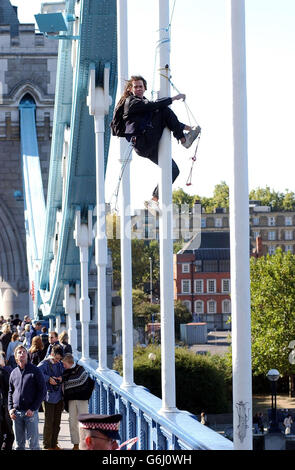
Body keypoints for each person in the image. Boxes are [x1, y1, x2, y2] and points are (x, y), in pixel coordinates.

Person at [114, 75, 201, 214]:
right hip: (143, 141)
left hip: (149, 144)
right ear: (131, 89)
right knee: (163, 109)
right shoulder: (131, 102)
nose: (138, 89)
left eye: (140, 86)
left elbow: (161, 118)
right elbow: (155, 106)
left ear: (145, 88)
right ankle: (183, 140)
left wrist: (187, 127)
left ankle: (154, 200)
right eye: (135, 87)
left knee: (173, 170)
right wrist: (174, 98)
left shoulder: (145, 104)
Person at [8, 345, 46, 450]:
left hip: (31, 413)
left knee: (33, 445)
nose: (22, 354)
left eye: (24, 352)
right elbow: (10, 392)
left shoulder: (35, 371)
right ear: (16, 357)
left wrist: (33, 408)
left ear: (27, 355)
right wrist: (10, 408)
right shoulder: (13, 373)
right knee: (18, 445)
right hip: (16, 413)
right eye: (19, 352)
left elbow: (42, 391)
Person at [62, 353, 95, 450]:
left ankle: (85, 444)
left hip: (82, 400)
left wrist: (68, 383)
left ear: (69, 362)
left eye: (64, 364)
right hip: (71, 400)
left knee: (85, 423)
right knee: (72, 422)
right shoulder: (65, 372)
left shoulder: (81, 369)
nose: (63, 366)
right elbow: (67, 384)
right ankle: (76, 444)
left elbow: (84, 382)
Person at [38, 344, 64, 450]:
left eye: (60, 359)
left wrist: (61, 378)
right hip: (48, 396)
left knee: (57, 422)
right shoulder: (44, 363)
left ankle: (54, 444)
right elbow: (37, 374)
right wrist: (48, 379)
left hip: (59, 396)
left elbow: (65, 372)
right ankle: (47, 445)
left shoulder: (59, 363)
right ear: (52, 354)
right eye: (57, 358)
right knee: (49, 422)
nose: (58, 361)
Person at [0, 353, 14, 450]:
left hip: (4, 406)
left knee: (7, 432)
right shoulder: (5, 372)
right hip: (4, 407)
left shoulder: (5, 372)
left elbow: (10, 391)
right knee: (8, 432)